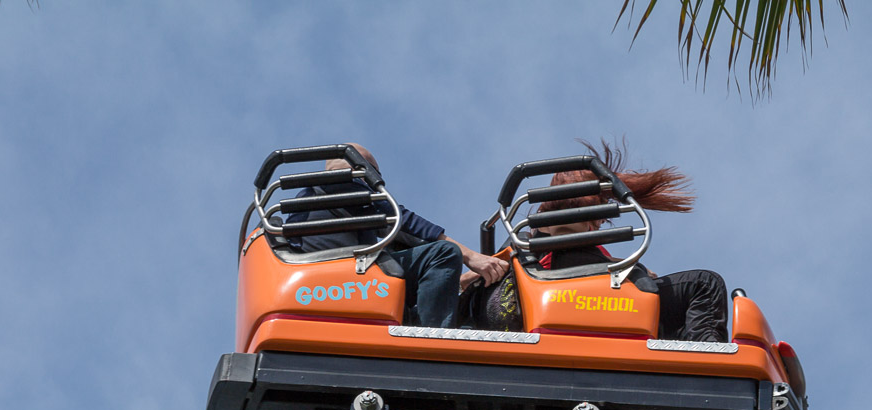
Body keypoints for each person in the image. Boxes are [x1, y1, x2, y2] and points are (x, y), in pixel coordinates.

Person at [283, 143, 506, 328]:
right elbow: (407, 223)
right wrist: (472, 258)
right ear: (362, 170)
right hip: (347, 280)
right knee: (443, 253)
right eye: (374, 174)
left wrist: (454, 282)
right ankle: (436, 339)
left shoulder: (312, 199)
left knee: (395, 249)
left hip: (325, 285)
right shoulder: (343, 184)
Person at [529, 140, 729, 343]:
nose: (601, 221)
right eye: (603, 203)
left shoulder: (545, 236)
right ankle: (711, 356)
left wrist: (630, 269)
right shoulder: (558, 228)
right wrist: (632, 272)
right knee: (704, 284)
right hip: (590, 299)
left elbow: (583, 261)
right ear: (587, 201)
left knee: (680, 321)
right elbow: (576, 263)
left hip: (599, 301)